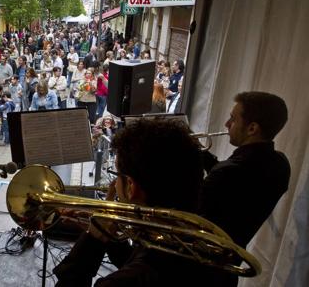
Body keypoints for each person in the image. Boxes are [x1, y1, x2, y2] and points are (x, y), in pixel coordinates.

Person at [54, 118, 223, 286]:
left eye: (116, 175)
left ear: (130, 186)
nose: (113, 185)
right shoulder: (206, 241)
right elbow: (141, 261)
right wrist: (109, 237)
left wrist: (91, 242)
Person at [199, 92, 290, 250]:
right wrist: (200, 152)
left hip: (198, 258)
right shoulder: (280, 164)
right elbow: (233, 181)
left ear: (252, 128)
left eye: (233, 119)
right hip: (232, 256)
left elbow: (189, 210)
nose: (227, 124)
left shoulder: (227, 173)